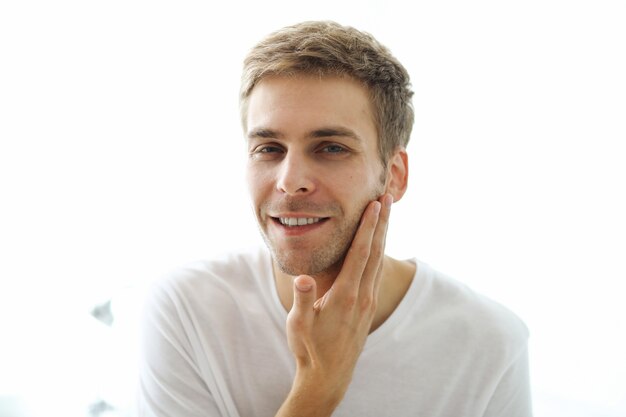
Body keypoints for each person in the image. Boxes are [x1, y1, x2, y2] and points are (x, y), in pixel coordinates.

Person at [138, 21, 532, 417]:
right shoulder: (187, 310)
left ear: (394, 174)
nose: (290, 182)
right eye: (269, 148)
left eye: (330, 147)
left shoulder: (490, 344)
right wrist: (318, 388)